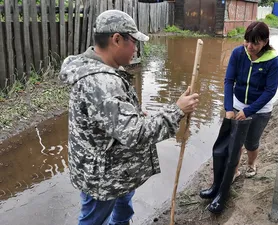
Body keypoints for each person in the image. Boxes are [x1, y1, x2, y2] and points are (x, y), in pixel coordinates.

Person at [59, 10, 199, 225]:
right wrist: (177, 110)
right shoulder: (101, 82)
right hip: (103, 178)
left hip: (115, 168)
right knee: (94, 220)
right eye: (133, 41)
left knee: (123, 210)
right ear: (116, 39)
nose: (136, 49)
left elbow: (110, 119)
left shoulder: (100, 69)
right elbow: (136, 133)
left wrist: (131, 113)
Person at [224, 21, 278, 179]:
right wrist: (229, 108)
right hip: (237, 104)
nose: (249, 46)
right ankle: (234, 170)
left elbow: (270, 91)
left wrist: (248, 111)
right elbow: (229, 81)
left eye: (255, 43)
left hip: (261, 110)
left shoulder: (272, 60)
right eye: (247, 41)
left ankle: (251, 164)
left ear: (265, 42)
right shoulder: (238, 53)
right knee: (235, 142)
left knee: (251, 142)